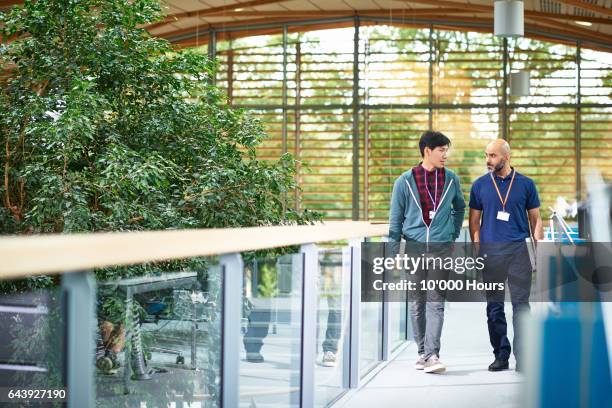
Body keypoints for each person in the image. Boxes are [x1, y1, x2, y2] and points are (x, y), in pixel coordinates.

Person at [388, 130, 466, 374]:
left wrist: (452, 234)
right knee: (417, 303)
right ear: (427, 151)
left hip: (441, 248)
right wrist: (392, 255)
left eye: (446, 150)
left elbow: (460, 208)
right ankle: (422, 352)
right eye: (441, 150)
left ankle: (433, 354)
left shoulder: (451, 179)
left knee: (436, 302)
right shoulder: (404, 181)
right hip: (413, 248)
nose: (445, 154)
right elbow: (395, 222)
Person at [468, 139, 544, 372]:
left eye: (492, 155)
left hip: (517, 251)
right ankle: (501, 355)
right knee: (494, 307)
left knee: (521, 306)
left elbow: (536, 219)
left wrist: (539, 250)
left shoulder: (526, 184)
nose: (488, 160)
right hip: (491, 252)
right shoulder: (480, 185)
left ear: (506, 157)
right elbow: (474, 222)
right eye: (486, 155)